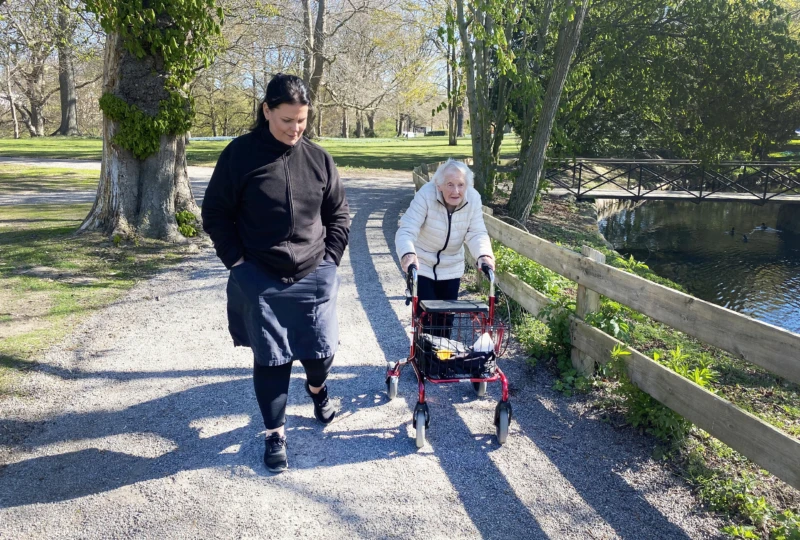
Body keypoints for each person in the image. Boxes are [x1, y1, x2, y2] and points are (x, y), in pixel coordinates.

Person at [202, 74, 350, 474]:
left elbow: (338, 215)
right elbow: (215, 213)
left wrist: (331, 262)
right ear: (266, 110)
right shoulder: (239, 155)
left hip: (314, 273)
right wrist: (237, 263)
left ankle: (317, 389)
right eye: (287, 120)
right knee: (271, 360)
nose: (295, 129)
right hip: (260, 278)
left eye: (302, 121)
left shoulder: (319, 159)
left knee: (321, 354)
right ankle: (274, 433)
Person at [395, 159, 495, 336]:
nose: (455, 191)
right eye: (450, 184)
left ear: (468, 186)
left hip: (451, 267)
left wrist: (484, 255)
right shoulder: (426, 195)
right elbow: (407, 229)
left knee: (446, 320)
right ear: (439, 185)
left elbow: (476, 233)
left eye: (460, 185)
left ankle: (442, 361)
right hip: (423, 264)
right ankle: (426, 361)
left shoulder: (473, 199)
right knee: (427, 319)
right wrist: (408, 254)